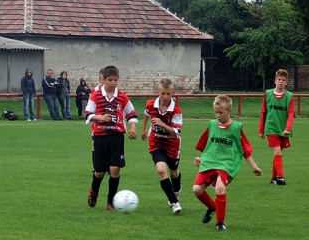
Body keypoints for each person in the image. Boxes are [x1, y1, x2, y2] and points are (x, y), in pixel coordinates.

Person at [193, 95, 262, 231]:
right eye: (216, 112)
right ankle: (212, 207)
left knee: (219, 188)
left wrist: (254, 167)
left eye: (221, 112)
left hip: (226, 164)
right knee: (197, 190)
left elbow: (245, 149)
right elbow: (210, 146)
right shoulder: (212, 125)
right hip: (210, 162)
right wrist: (202, 159)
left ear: (229, 111)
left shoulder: (236, 128)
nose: (218, 115)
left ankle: (220, 222)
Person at [85, 65, 138, 211]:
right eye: (110, 80)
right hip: (100, 137)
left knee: (115, 168)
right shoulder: (96, 95)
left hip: (117, 136)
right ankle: (94, 190)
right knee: (100, 172)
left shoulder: (122, 96)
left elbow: (131, 114)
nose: (113, 83)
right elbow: (87, 114)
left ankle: (111, 201)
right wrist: (101, 118)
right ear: (103, 80)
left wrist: (133, 128)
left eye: (115, 80)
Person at [141, 78, 183, 215]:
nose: (165, 97)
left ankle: (176, 191)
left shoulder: (176, 111)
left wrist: (162, 124)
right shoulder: (151, 104)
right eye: (163, 93)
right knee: (161, 170)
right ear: (158, 92)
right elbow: (147, 113)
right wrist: (144, 129)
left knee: (173, 172)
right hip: (156, 142)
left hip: (172, 144)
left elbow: (176, 132)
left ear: (173, 93)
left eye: (168, 94)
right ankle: (174, 203)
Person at [258, 69, 294, 185]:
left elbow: (290, 114)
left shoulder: (289, 96)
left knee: (278, 153)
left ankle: (273, 178)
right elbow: (263, 112)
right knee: (277, 151)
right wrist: (261, 129)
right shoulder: (268, 94)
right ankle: (281, 177)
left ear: (286, 82)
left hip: (282, 129)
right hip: (271, 128)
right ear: (275, 81)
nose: (281, 81)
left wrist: (288, 128)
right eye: (279, 79)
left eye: (283, 80)